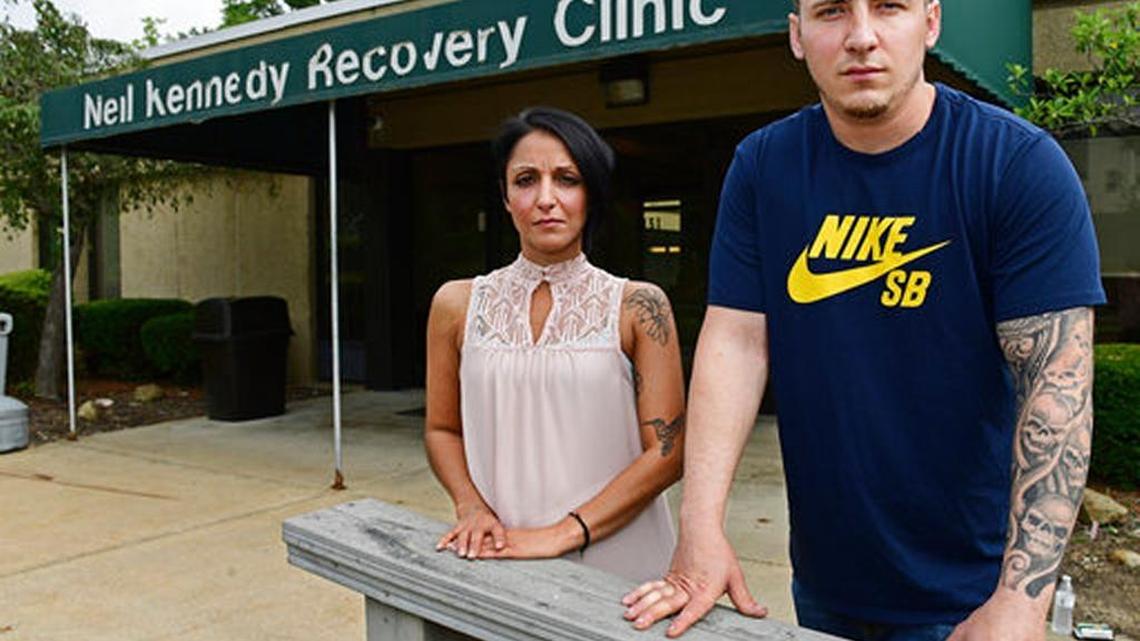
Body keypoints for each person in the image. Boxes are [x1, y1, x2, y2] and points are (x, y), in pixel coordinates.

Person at [621, 0, 1104, 639]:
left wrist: (1020, 601)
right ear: (797, 36)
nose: (862, 37)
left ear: (931, 22)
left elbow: (1058, 387)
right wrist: (701, 530)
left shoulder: (1015, 165)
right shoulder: (764, 167)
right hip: (824, 585)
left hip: (975, 596)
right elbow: (736, 342)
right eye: (830, 13)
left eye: (889, 8)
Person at [424, 107, 686, 583]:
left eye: (567, 179)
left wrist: (564, 533)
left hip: (622, 567)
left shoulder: (639, 306)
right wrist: (471, 507)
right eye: (526, 180)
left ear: (592, 195)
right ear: (505, 197)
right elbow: (442, 429)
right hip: (499, 550)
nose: (546, 198)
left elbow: (668, 453)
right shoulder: (456, 304)